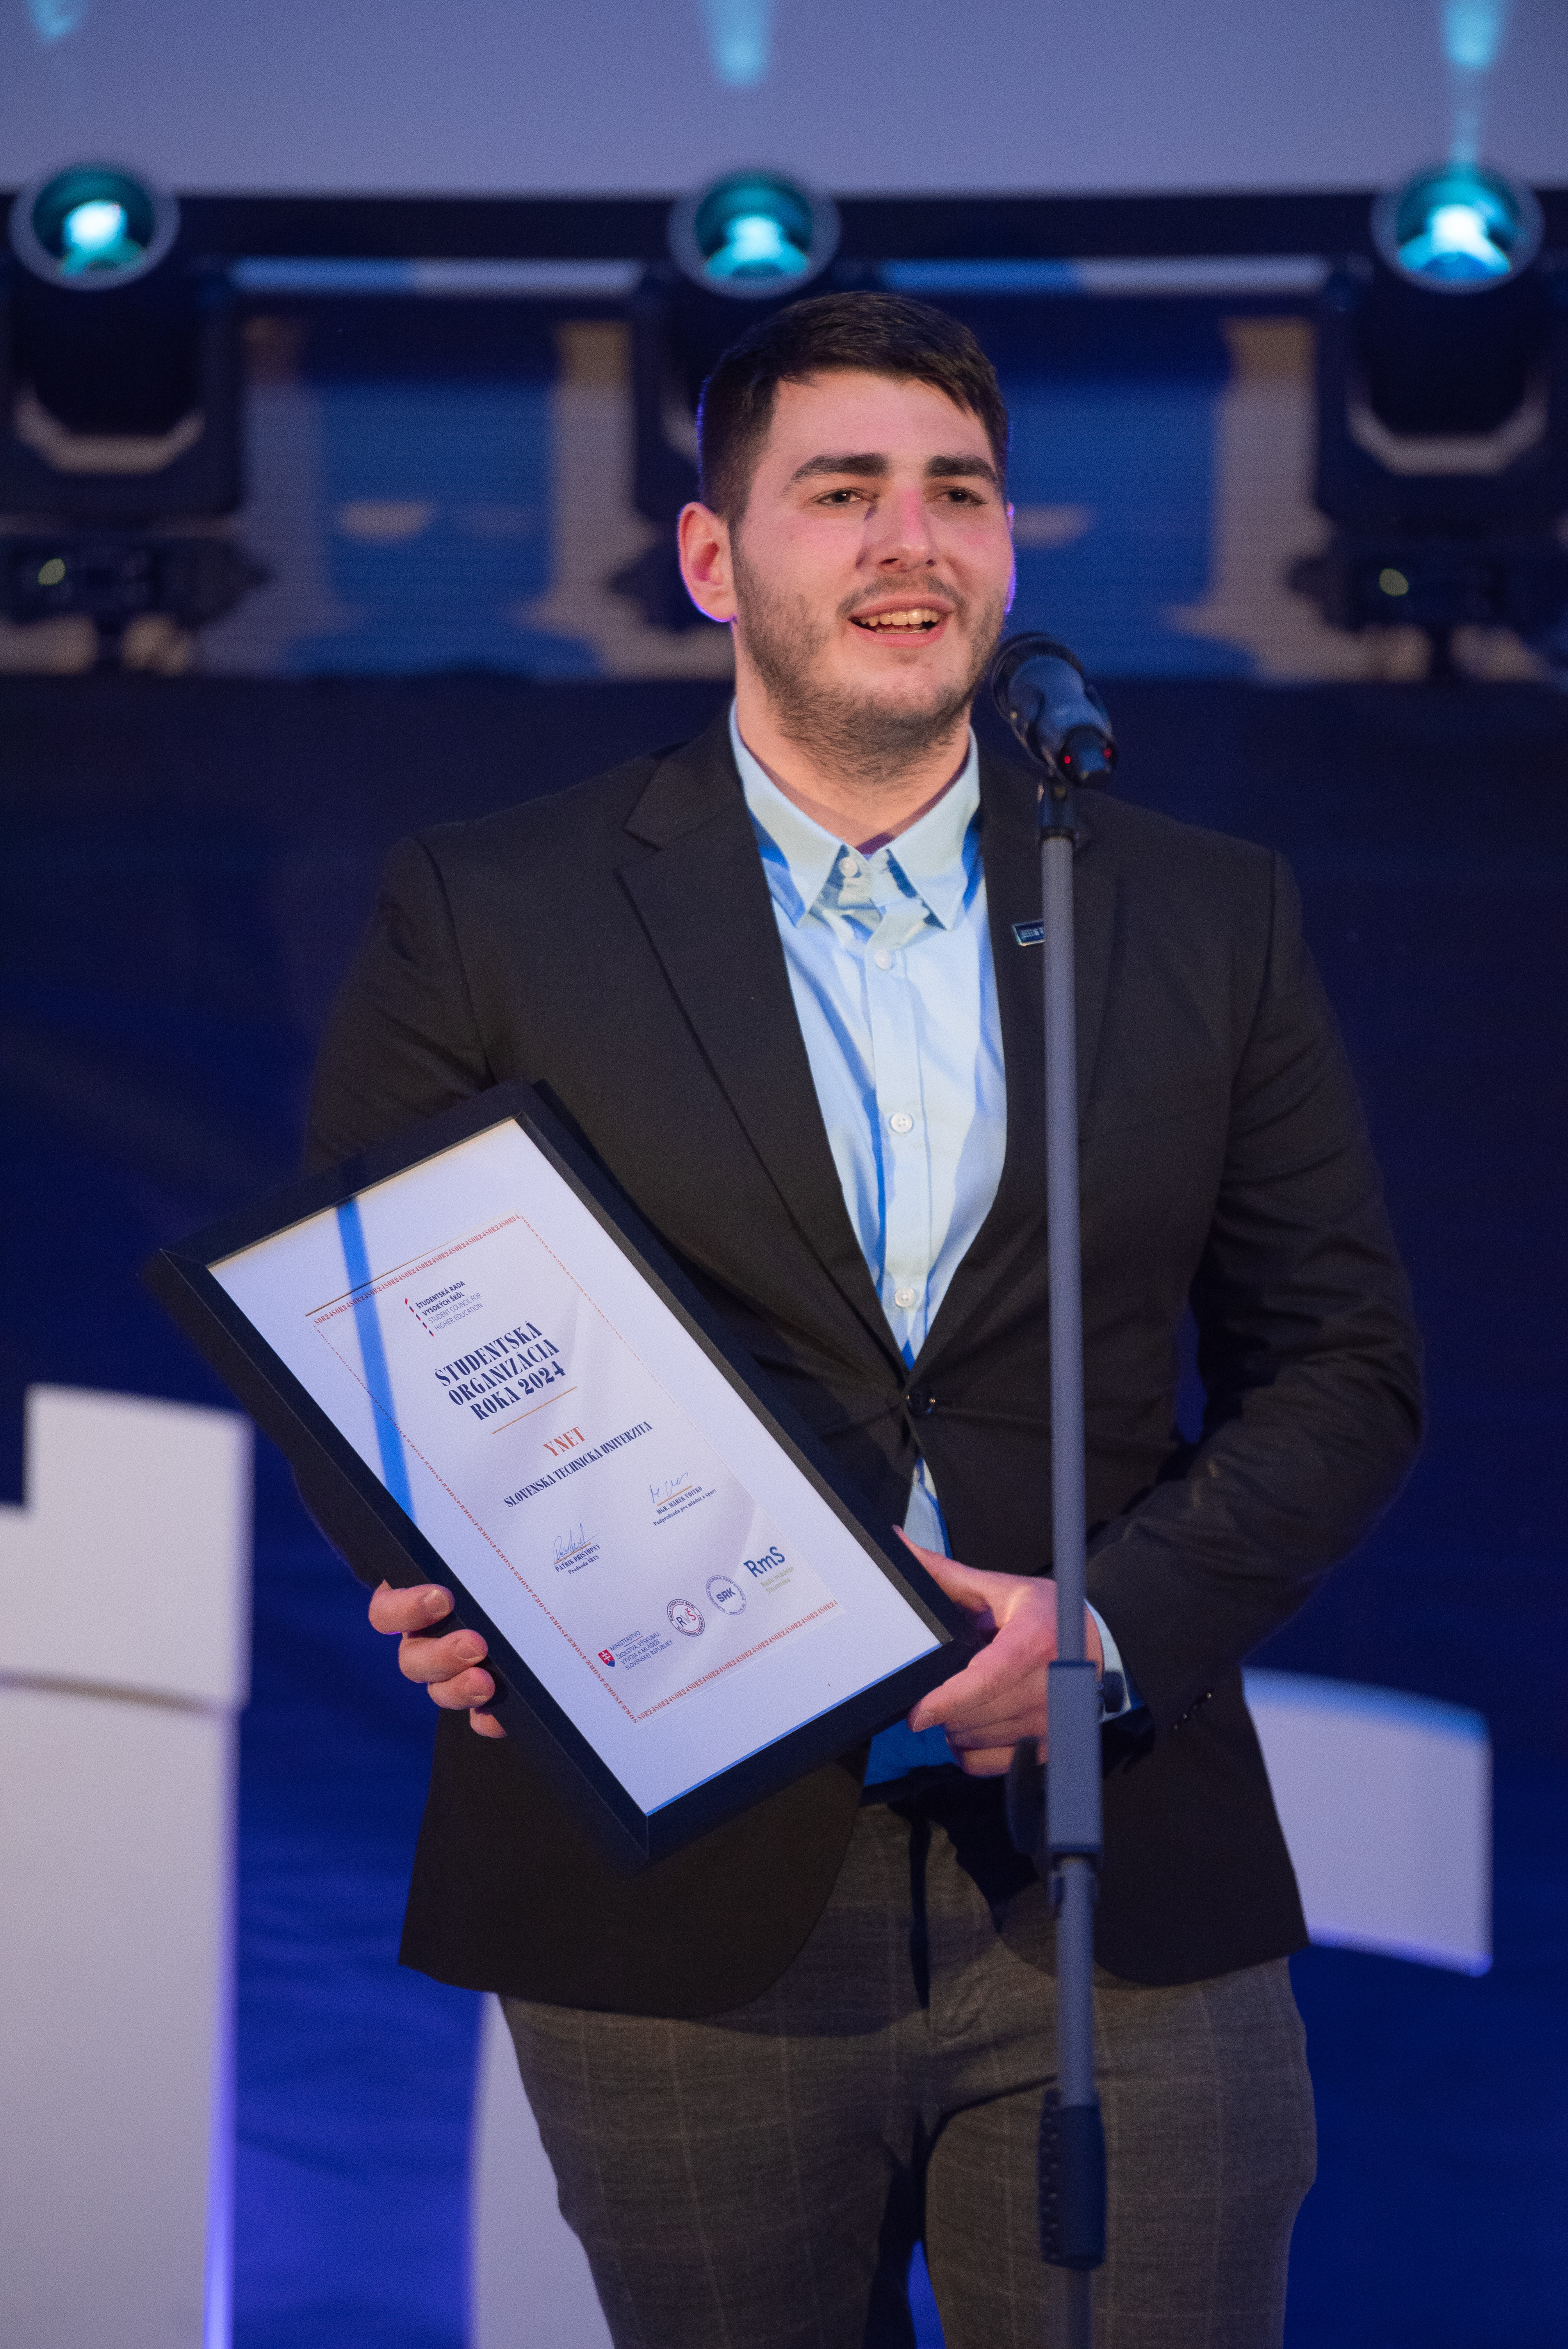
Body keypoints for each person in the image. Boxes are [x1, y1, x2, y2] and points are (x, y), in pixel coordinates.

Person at [304, 293, 1422, 2349]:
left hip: (1110, 1873)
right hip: (673, 1892)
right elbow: (378, 1349)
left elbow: (1345, 1367)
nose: (914, 541)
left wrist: (1100, 1632)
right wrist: (460, 1582)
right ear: (713, 557)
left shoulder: (1199, 910)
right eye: (844, 491)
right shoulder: (495, 906)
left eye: (960, 492)